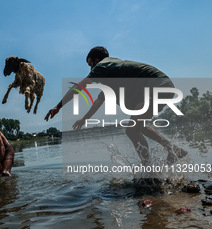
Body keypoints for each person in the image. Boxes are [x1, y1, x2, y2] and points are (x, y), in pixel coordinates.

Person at [45, 46, 187, 165]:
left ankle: (149, 170)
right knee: (139, 126)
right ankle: (173, 150)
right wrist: (85, 119)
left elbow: (81, 86)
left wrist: (59, 106)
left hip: (157, 86)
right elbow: (98, 102)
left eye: (90, 64)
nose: (90, 69)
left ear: (96, 60)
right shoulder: (112, 75)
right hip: (164, 86)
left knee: (131, 130)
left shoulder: (103, 65)